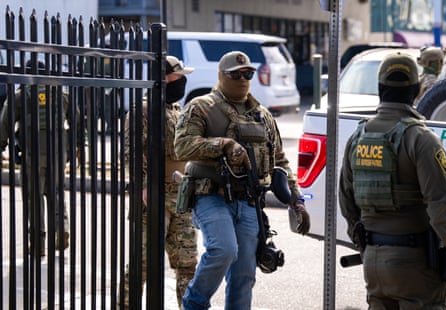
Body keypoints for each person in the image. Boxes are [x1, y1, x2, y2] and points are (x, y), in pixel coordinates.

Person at [174, 50, 310, 310]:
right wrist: (223, 145)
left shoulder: (262, 115)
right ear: (222, 76)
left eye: (248, 74)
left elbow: (280, 161)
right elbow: (182, 146)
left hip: (248, 201)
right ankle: (194, 303)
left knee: (244, 272)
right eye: (235, 75)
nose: (243, 78)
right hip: (210, 195)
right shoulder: (201, 106)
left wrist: (297, 200)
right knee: (224, 250)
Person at [339, 52, 446, 308]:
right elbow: (442, 209)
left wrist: (366, 246)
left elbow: (346, 202)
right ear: (417, 89)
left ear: (380, 89)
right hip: (416, 266)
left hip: (373, 265)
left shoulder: (358, 137)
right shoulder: (421, 139)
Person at [120, 55, 198, 309]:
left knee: (187, 263)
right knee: (143, 262)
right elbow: (132, 151)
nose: (183, 81)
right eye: (179, 76)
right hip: (155, 195)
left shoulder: (176, 110)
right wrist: (143, 185)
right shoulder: (143, 110)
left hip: (181, 195)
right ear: (164, 78)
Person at [0, 60, 75, 256]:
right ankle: (62, 227)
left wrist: (2, 146)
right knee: (57, 193)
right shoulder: (61, 94)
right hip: (58, 153)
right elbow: (76, 121)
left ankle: (38, 242)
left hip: (33, 154)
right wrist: (77, 148)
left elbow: (5, 122)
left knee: (34, 197)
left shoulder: (21, 95)